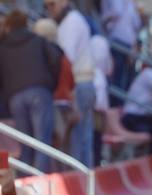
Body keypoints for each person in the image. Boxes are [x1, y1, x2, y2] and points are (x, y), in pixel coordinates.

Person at [0, 10, 61, 173]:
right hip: (40, 93)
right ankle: (40, 182)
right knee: (42, 142)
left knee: (25, 144)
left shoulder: (1, 50)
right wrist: (50, 83)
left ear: (8, 27)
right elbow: (56, 59)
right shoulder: (38, 41)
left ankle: (25, 181)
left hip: (15, 98)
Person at [44, 0, 97, 167]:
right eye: (46, 6)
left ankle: (77, 186)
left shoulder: (71, 22)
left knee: (76, 143)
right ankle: (82, 184)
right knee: (82, 141)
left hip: (78, 86)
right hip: (83, 84)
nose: (49, 9)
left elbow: (65, 59)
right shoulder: (73, 20)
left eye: (52, 4)